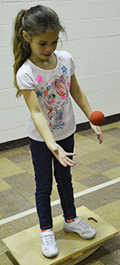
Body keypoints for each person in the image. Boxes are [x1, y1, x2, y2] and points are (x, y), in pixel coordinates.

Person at [13, 5, 103, 258]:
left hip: (66, 133)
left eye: (53, 42)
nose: (49, 49)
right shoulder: (27, 73)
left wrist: (90, 117)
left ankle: (71, 219)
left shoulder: (65, 59)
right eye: (42, 43)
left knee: (65, 181)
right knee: (43, 185)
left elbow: (75, 90)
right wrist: (53, 145)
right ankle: (46, 230)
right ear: (26, 37)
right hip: (43, 141)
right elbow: (37, 112)